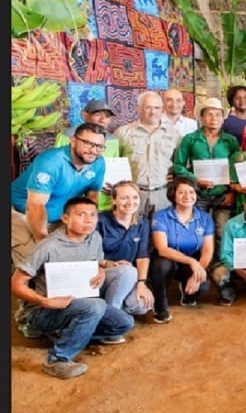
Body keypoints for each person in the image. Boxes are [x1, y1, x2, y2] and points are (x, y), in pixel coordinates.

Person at [11, 197, 135, 379]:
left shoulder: (94, 237)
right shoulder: (49, 246)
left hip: (78, 303)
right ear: (65, 219)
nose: (89, 220)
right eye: (81, 215)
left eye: (93, 215)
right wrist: (46, 301)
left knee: (124, 323)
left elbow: (96, 259)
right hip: (44, 310)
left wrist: (101, 268)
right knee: (96, 306)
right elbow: (16, 284)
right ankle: (56, 360)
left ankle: (67, 333)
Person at [11, 122, 107, 266]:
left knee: (68, 261)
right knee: (37, 263)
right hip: (22, 213)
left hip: (60, 218)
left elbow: (91, 199)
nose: (93, 150)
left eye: (99, 146)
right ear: (73, 141)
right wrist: (44, 244)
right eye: (88, 143)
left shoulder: (99, 163)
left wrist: (85, 232)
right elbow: (35, 205)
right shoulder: (51, 162)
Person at [150, 177, 215, 324]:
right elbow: (162, 249)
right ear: (173, 195)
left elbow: (207, 250)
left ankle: (187, 294)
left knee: (203, 286)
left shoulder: (205, 218)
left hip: (190, 263)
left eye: (191, 192)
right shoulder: (160, 216)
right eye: (182, 192)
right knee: (162, 266)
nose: (187, 196)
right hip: (168, 259)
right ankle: (160, 306)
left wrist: (197, 272)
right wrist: (192, 262)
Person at [173, 97, 239, 241]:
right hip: (196, 194)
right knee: (195, 229)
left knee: (222, 231)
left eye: (218, 114)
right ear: (202, 117)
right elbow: (178, 165)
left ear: (223, 118)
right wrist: (196, 180)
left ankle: (220, 262)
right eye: (209, 114)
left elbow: (237, 168)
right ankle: (196, 261)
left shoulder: (231, 141)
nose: (213, 118)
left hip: (223, 194)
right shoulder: (190, 139)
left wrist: (231, 192)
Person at [115, 90, 182, 215]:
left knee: (161, 232)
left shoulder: (174, 135)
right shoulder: (123, 133)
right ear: (139, 109)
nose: (153, 112)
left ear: (162, 110)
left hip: (163, 193)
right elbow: (113, 163)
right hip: (133, 194)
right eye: (148, 107)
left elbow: (179, 165)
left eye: (157, 108)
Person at [96, 181, 153, 316]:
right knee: (128, 271)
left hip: (129, 276)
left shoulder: (142, 222)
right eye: (124, 198)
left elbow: (142, 256)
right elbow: (90, 254)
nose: (130, 202)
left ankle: (108, 309)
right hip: (102, 273)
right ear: (114, 200)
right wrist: (108, 264)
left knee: (142, 305)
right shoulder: (100, 221)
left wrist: (141, 283)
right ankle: (111, 320)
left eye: (134, 197)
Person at [53, 99, 119, 211]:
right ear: (84, 115)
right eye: (98, 114)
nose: (103, 120)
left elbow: (113, 169)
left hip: (103, 200)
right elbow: (57, 166)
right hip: (71, 200)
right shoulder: (67, 136)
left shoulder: (113, 141)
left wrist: (115, 186)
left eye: (107, 116)